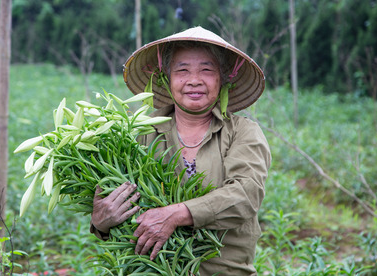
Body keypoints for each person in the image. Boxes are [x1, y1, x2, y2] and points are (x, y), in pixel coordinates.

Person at [90, 26, 271, 275]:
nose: (194, 80)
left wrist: (175, 215)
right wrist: (100, 221)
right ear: (167, 77)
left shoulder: (243, 132)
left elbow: (245, 195)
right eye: (182, 70)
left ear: (223, 77)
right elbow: (115, 197)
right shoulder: (140, 132)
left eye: (206, 70)